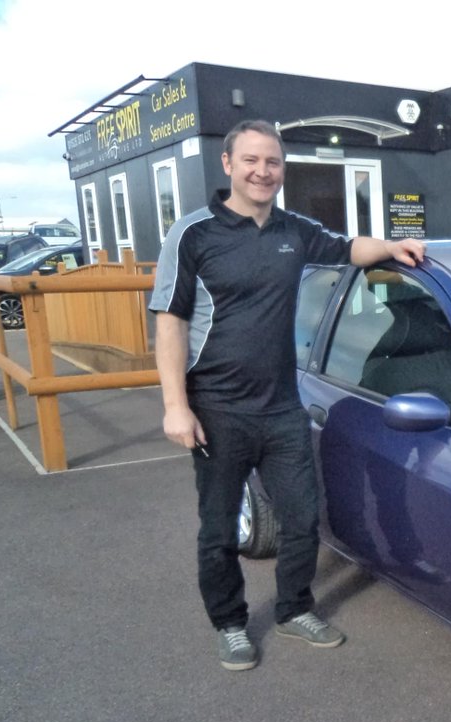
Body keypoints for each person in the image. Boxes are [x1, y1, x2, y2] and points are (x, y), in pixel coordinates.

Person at [150, 119, 425, 671]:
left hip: (281, 407)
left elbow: (349, 248)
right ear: (228, 165)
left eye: (272, 162)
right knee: (219, 527)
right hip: (217, 410)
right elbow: (171, 324)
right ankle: (229, 624)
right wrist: (175, 406)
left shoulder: (292, 230)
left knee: (302, 518)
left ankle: (294, 609)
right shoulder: (193, 234)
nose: (262, 171)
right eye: (251, 160)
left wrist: (394, 245)